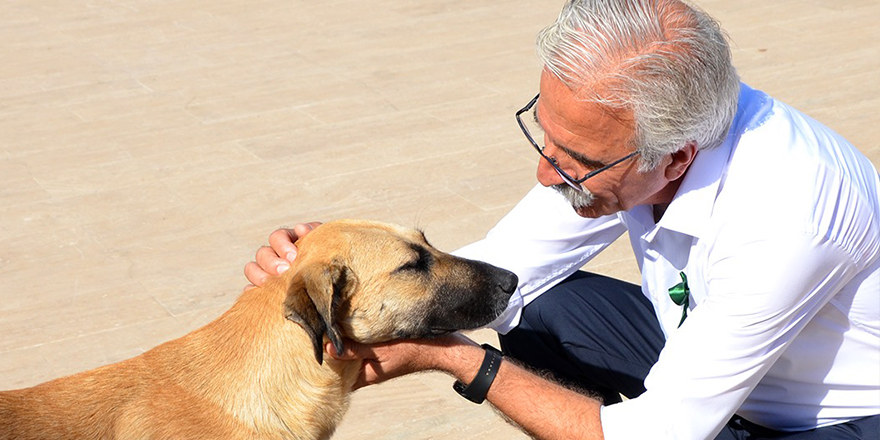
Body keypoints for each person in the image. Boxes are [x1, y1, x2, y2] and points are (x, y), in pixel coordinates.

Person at [244, 0, 880, 439]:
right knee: (519, 301)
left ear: (677, 156)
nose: (549, 174)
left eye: (576, 161)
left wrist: (462, 363)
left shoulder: (786, 219)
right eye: (544, 137)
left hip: (834, 419)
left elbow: (660, 432)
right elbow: (506, 263)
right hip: (712, 349)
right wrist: (343, 266)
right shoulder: (654, 130)